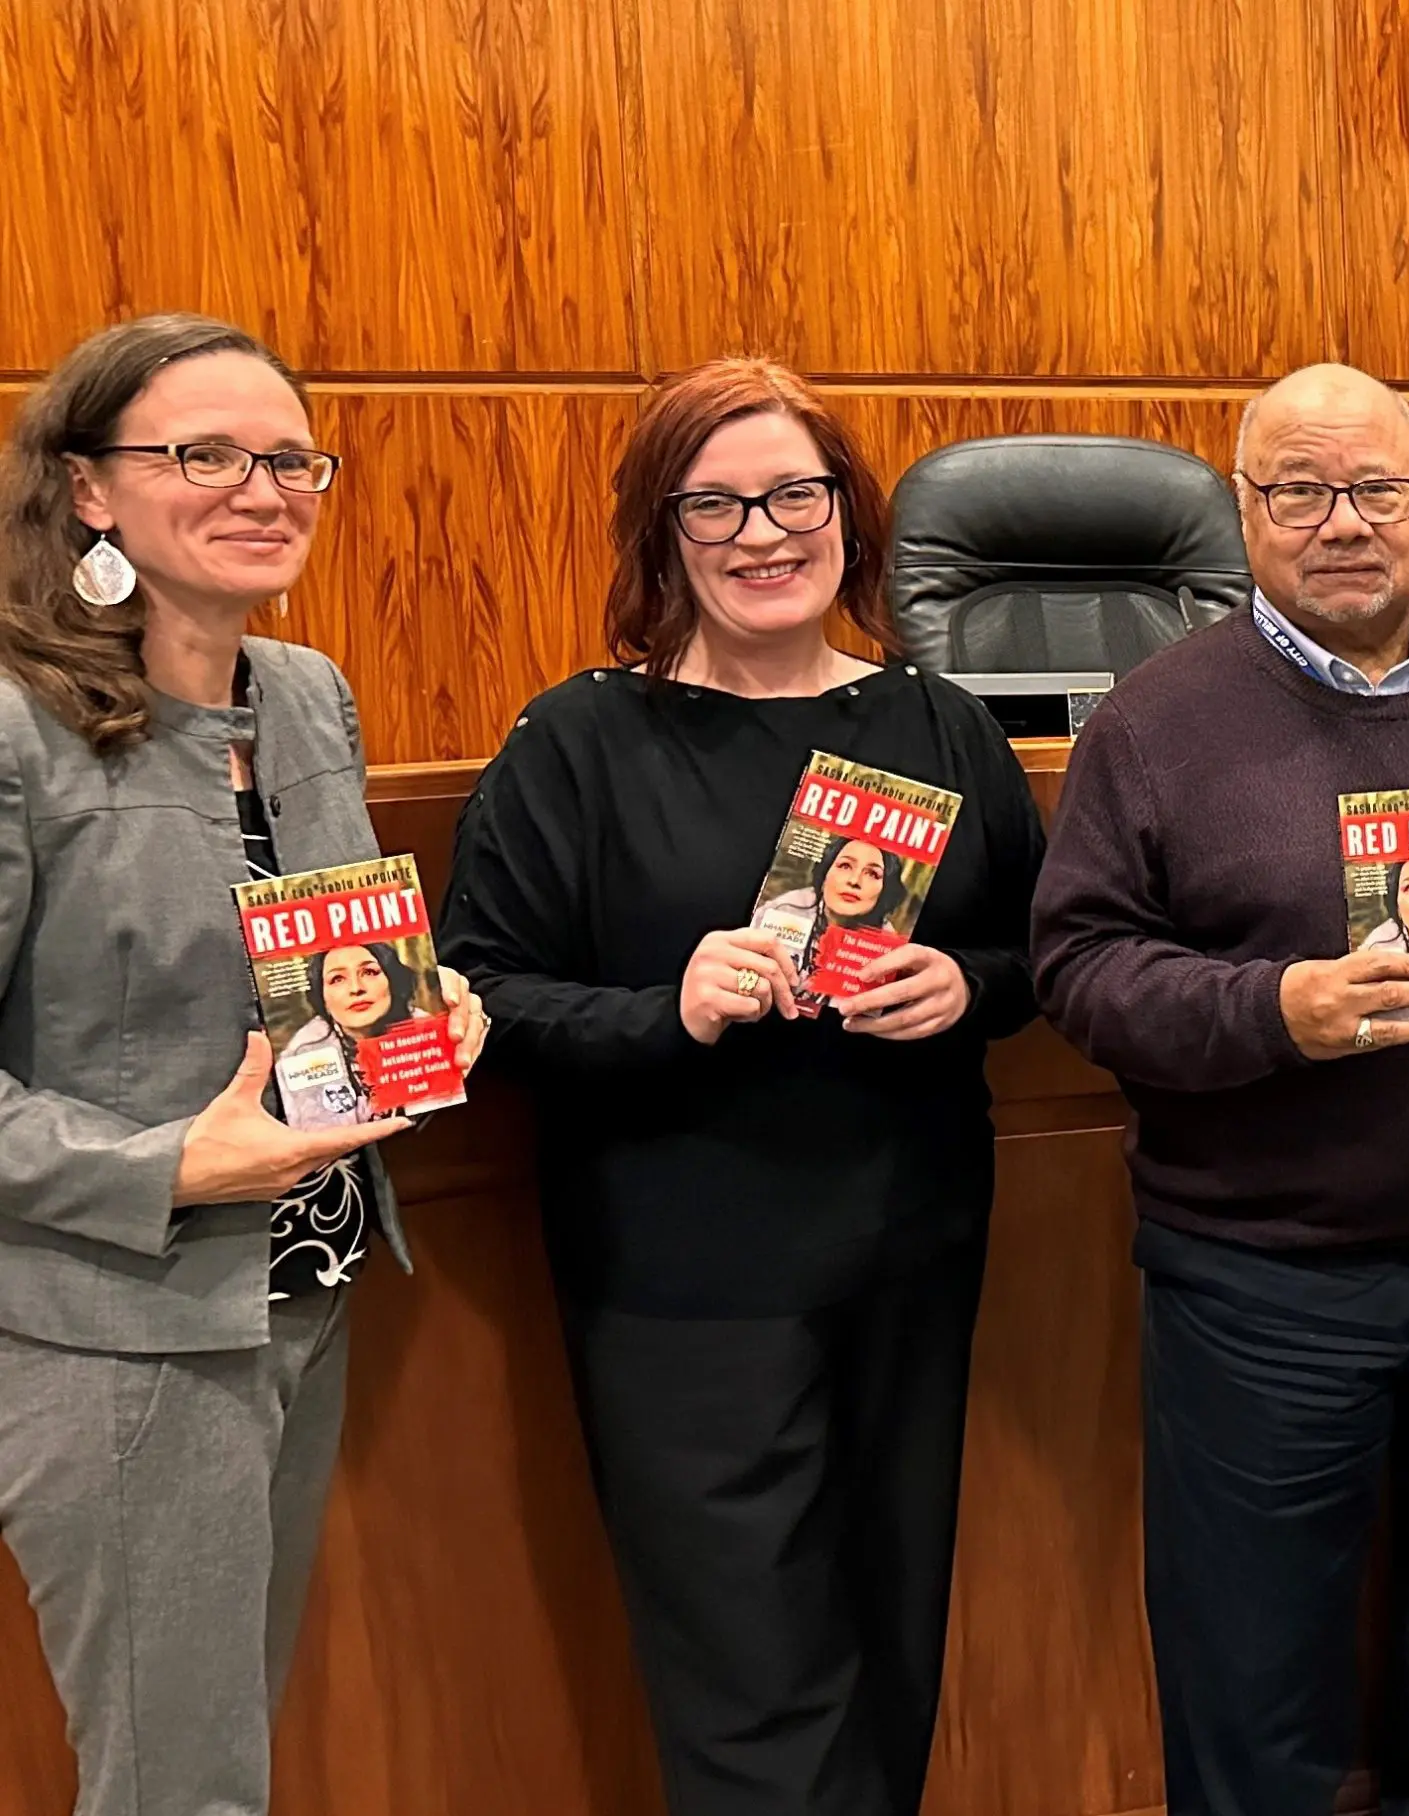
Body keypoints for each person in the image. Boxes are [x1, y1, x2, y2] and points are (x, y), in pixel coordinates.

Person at [438, 357, 1046, 1816]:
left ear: (849, 512)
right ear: (660, 536)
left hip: (908, 1254)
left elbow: (1045, 953)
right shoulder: (579, 739)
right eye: (714, 504)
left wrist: (968, 986)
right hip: (685, 1288)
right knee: (752, 1693)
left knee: (894, 1646)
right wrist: (673, 1009)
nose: (764, 532)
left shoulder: (938, 722)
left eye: (795, 492)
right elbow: (481, 1001)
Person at [1034, 362, 1409, 1816]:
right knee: (1253, 1693)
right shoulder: (1153, 721)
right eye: (1301, 491)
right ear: (1244, 509)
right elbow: (1079, 967)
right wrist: (1274, 1009)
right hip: (1262, 1284)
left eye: (1377, 488)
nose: (1345, 523)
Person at [0, 313, 486, 1816]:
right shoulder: (16, 727)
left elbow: (316, 962)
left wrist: (430, 1009)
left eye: (289, 458)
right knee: (176, 1792)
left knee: (224, 1762)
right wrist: (165, 1164)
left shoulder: (306, 692)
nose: (260, 486)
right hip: (120, 1333)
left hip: (303, 1291)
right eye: (200, 453)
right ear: (88, 488)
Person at [274, 940, 423, 1125]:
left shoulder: (429, 1032)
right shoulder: (301, 1056)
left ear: (393, 982)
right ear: (323, 998)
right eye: (337, 979)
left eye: (369, 972)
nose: (356, 988)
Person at [756, 834, 911, 1006]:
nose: (854, 881)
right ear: (825, 874)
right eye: (845, 866)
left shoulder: (888, 951)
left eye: (873, 874)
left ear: (885, 891)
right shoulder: (784, 909)